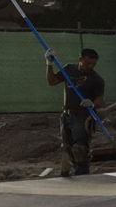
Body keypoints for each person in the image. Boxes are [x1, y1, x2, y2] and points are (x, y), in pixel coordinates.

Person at [45, 47, 105, 175]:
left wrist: (92, 104)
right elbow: (52, 81)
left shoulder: (96, 80)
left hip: (82, 116)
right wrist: (49, 64)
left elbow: (99, 101)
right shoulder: (69, 69)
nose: (90, 66)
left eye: (93, 64)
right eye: (87, 63)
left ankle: (82, 174)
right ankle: (73, 171)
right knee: (67, 147)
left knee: (80, 148)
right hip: (67, 114)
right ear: (80, 59)